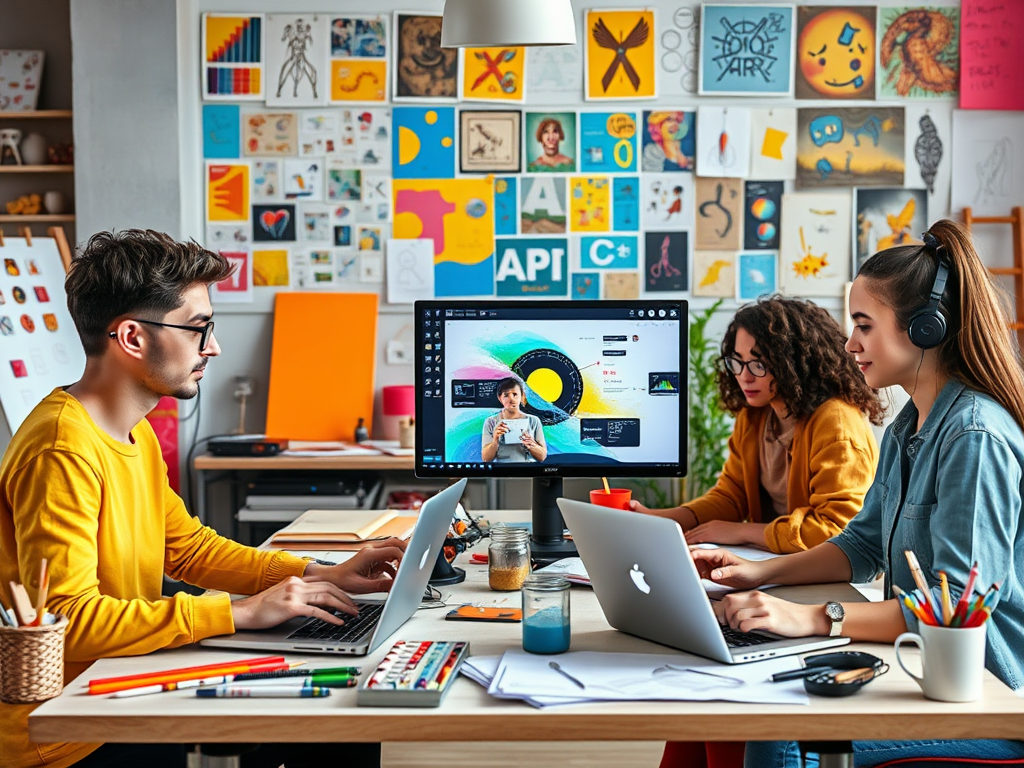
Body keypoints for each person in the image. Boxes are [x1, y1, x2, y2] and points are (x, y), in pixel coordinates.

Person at [0, 230, 405, 768]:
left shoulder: (133, 431)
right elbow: (66, 619)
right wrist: (237, 611)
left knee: (340, 714)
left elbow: (189, 550)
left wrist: (318, 572)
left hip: (121, 687)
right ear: (131, 338)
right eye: (198, 329)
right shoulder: (62, 451)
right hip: (69, 732)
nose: (212, 346)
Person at [694, 220, 1024, 767]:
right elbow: (863, 546)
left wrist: (812, 617)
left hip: (986, 697)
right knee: (721, 706)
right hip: (923, 671)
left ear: (924, 329)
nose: (849, 345)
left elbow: (952, 609)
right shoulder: (907, 428)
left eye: (864, 326)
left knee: (779, 735)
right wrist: (758, 574)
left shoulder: (973, 437)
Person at [631, 296, 882, 554]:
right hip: (773, 559)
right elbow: (731, 496)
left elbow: (839, 530)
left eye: (759, 364)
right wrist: (658, 519)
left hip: (829, 572)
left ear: (794, 363)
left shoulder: (836, 424)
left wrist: (740, 531)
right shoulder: (755, 414)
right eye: (737, 361)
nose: (744, 376)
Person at [481, 377, 547, 463]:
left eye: (515, 394)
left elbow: (542, 457)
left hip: (529, 472)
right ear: (500, 398)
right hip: (501, 472)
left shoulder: (533, 421)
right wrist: (495, 440)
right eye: (506, 395)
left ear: (522, 396)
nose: (511, 399)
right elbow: (486, 459)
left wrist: (531, 444)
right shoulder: (490, 422)